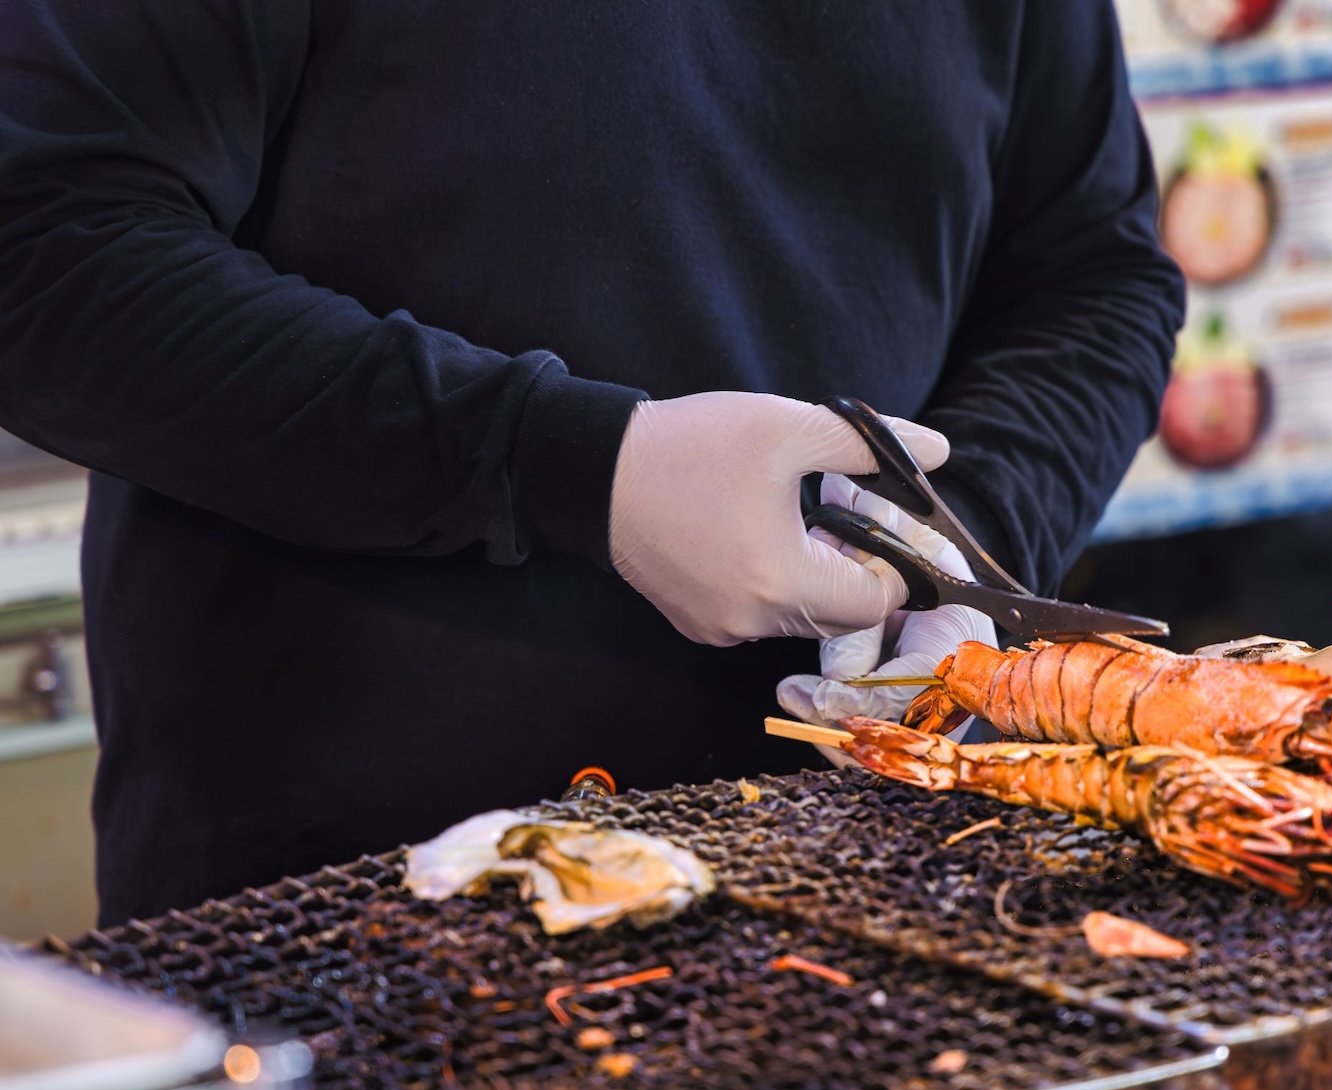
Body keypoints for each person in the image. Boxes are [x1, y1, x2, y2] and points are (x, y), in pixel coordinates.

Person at [0, 2, 1183, 925]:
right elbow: (45, 245)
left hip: (877, 886)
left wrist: (952, 533)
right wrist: (579, 468)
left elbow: (1093, 275)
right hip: (353, 911)